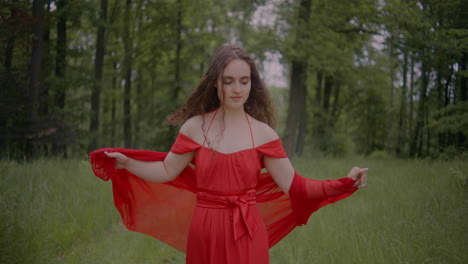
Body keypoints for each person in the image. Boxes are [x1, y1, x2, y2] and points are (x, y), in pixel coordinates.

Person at [89, 45, 368, 264]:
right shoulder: (195, 127)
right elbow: (166, 171)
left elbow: (296, 187)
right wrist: (127, 163)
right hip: (204, 231)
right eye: (229, 81)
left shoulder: (264, 134)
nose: (237, 89)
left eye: (244, 81)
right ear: (215, 83)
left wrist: (344, 183)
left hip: (246, 232)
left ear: (252, 84)